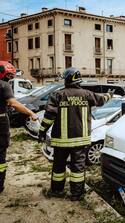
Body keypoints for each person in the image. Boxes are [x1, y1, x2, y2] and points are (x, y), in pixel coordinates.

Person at [38, 67, 113, 201]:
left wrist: (42, 131)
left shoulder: (57, 95)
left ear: (67, 80)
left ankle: (56, 191)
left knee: (59, 166)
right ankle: (76, 194)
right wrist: (109, 95)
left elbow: (49, 116)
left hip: (61, 141)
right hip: (80, 141)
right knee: (78, 167)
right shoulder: (87, 94)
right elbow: (101, 100)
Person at [0, 64, 38, 193]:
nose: (10, 78)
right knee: (1, 154)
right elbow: (13, 103)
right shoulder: (4, 85)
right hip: (1, 122)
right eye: (9, 75)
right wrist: (31, 113)